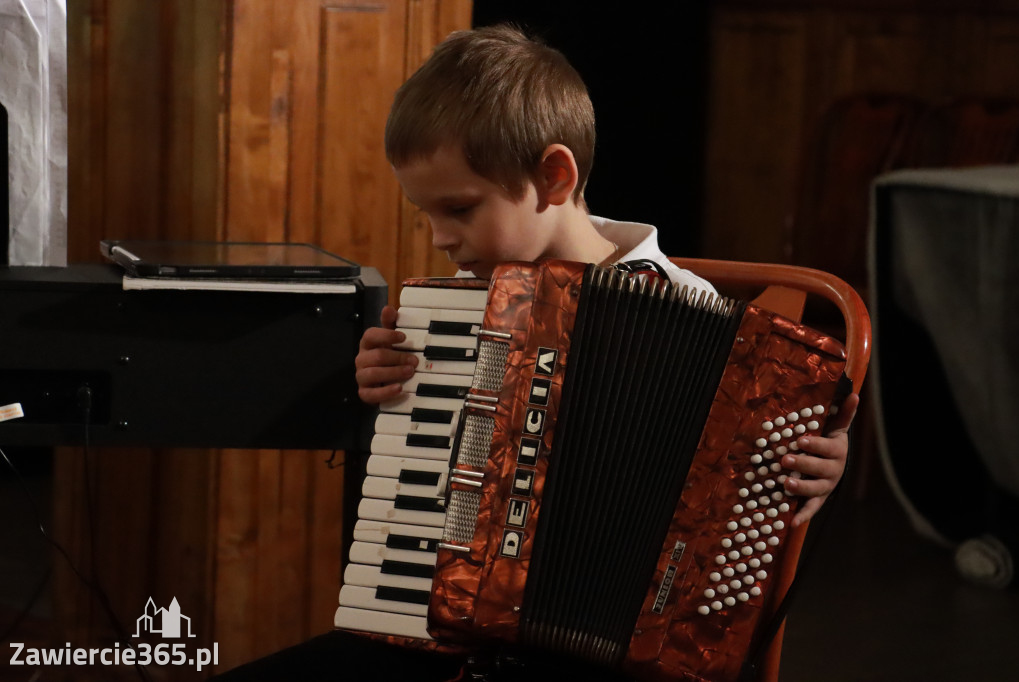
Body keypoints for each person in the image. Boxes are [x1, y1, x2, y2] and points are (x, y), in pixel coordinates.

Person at [215, 23, 858, 682]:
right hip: (458, 641)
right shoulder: (459, 319)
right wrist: (394, 390)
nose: (440, 238)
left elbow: (764, 468)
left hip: (624, 659)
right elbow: (435, 478)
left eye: (459, 209)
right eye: (426, 214)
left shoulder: (697, 313)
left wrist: (817, 461)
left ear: (553, 176)